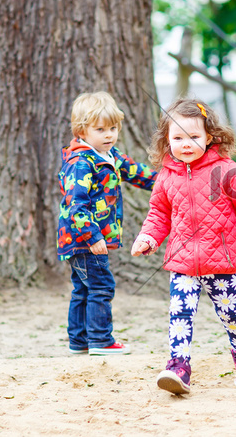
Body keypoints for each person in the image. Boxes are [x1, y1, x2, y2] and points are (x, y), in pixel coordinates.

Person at [131, 97, 236, 395]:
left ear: (210, 137)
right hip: (182, 261)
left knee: (231, 315)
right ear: (167, 140)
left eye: (194, 136)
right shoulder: (167, 175)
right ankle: (179, 366)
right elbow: (159, 213)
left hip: (222, 260)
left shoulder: (225, 170)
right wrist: (149, 237)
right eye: (178, 137)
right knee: (179, 314)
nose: (186, 143)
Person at [57, 91, 157, 356]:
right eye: (100, 129)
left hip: (86, 239)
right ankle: (101, 340)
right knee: (101, 285)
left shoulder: (109, 155)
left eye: (112, 128)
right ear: (82, 130)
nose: (108, 134)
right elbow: (76, 205)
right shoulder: (81, 162)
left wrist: (166, 182)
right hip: (84, 239)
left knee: (83, 288)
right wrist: (93, 237)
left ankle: (79, 341)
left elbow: (137, 173)